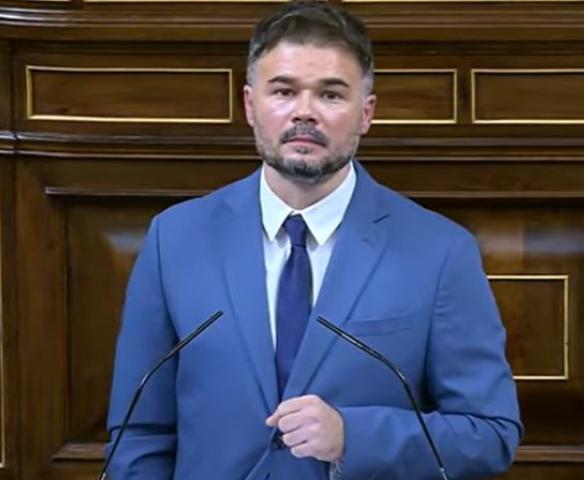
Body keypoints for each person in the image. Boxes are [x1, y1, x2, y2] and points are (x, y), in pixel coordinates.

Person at [105, 1, 522, 479]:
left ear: (366, 113)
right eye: (284, 91)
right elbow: (139, 434)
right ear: (250, 105)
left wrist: (353, 436)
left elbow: (491, 434)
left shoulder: (440, 252)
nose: (304, 113)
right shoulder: (175, 239)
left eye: (330, 94)